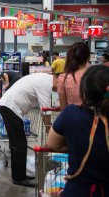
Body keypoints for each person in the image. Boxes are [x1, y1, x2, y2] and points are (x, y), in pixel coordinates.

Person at [47, 65, 109, 197]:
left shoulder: (72, 113)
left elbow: (53, 144)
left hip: (79, 190)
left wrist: (77, 145)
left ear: (84, 91)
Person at [0, 73, 57, 187]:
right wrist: (51, 135)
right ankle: (19, 178)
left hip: (9, 106)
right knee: (19, 144)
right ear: (58, 79)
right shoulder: (46, 84)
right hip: (10, 107)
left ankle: (20, 174)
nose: (58, 90)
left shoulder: (45, 78)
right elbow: (46, 113)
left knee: (17, 144)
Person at [57, 42, 90, 110]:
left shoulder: (63, 78)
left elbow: (63, 107)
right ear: (88, 58)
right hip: (92, 118)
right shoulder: (95, 75)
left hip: (72, 118)